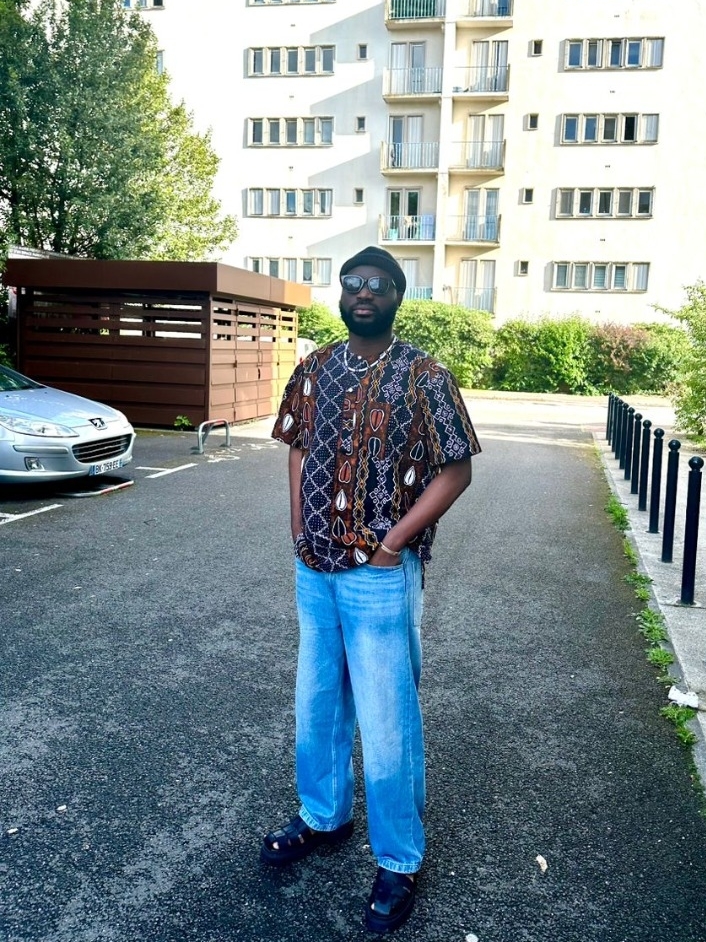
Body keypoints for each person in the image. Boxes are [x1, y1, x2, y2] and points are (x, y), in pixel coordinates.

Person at [262, 246, 480, 933]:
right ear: (341, 292)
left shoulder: (425, 376)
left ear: (396, 296)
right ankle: (324, 817)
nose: (363, 292)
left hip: (379, 574)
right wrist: (297, 525)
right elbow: (298, 446)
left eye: (377, 284)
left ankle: (399, 859)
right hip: (315, 566)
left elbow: (456, 470)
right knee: (317, 703)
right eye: (353, 282)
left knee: (388, 722)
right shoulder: (314, 368)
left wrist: (392, 545)